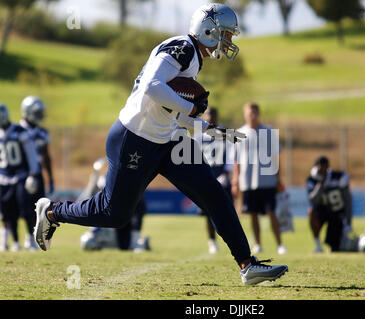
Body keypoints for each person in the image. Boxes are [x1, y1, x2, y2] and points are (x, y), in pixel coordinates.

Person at [33, 3, 288, 285]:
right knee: (113, 214)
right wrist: (190, 110)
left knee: (214, 193)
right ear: (208, 31)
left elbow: (169, 110)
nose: (228, 41)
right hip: (135, 139)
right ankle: (52, 211)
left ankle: (247, 265)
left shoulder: (192, 57)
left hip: (167, 140)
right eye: (225, 34)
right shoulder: (183, 48)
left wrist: (208, 129)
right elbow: (152, 88)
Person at [232, 102, 287, 255]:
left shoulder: (269, 132)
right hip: (248, 181)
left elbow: (276, 157)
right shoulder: (239, 133)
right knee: (253, 214)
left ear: (258, 113)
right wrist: (235, 181)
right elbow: (236, 161)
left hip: (267, 180)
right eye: (250, 113)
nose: (252, 116)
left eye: (255, 112)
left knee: (271, 212)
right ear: (245, 114)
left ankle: (280, 244)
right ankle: (258, 244)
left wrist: (278, 178)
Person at [78, 157, 150, 252]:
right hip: (108, 224)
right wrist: (94, 176)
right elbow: (88, 198)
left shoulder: (127, 184)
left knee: (125, 246)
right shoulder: (101, 189)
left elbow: (138, 208)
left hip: (122, 219)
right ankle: (136, 242)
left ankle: (136, 241)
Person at [0, 103, 40, 252]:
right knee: (8, 212)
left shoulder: (20, 132)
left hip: (20, 176)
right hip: (3, 178)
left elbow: (31, 154)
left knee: (26, 209)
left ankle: (30, 239)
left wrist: (33, 173)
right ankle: (15, 241)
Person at [194, 107, 233, 254]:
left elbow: (231, 153)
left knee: (227, 210)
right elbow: (194, 156)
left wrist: (226, 174)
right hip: (206, 175)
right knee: (208, 212)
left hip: (221, 175)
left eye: (213, 115)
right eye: (208, 115)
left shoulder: (224, 133)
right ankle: (212, 241)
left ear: (217, 117)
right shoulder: (199, 135)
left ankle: (231, 241)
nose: (210, 118)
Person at [19, 96, 54, 250]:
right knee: (23, 207)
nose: (40, 115)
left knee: (38, 207)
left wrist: (50, 178)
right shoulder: (17, 130)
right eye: (37, 112)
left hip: (37, 174)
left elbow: (46, 156)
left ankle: (32, 237)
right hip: (21, 174)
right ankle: (20, 237)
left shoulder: (42, 133)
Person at [306, 156, 353, 253]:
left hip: (336, 212)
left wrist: (348, 221)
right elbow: (312, 200)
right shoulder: (312, 180)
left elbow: (347, 200)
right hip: (321, 211)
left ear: (328, 167)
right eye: (320, 167)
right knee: (311, 212)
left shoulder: (338, 177)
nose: (323, 170)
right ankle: (318, 245)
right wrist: (320, 186)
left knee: (336, 247)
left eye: (324, 167)